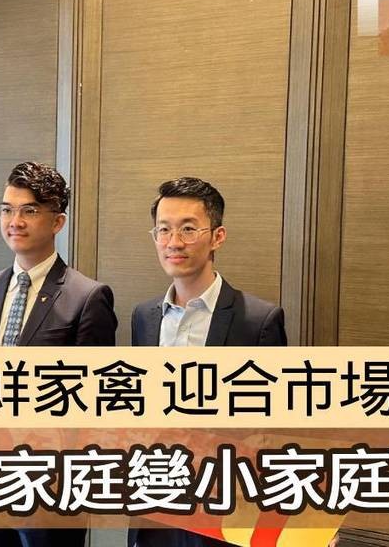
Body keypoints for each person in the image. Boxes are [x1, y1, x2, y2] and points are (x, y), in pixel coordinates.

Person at [0, 161, 117, 547]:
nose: (15, 221)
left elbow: (93, 403)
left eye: (29, 210)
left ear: (58, 221)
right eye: (7, 209)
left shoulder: (87, 296)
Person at [128, 176, 286, 547]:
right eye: (163, 230)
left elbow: (278, 430)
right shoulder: (144, 316)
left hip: (223, 511)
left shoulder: (258, 320)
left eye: (188, 229)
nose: (174, 242)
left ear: (217, 236)